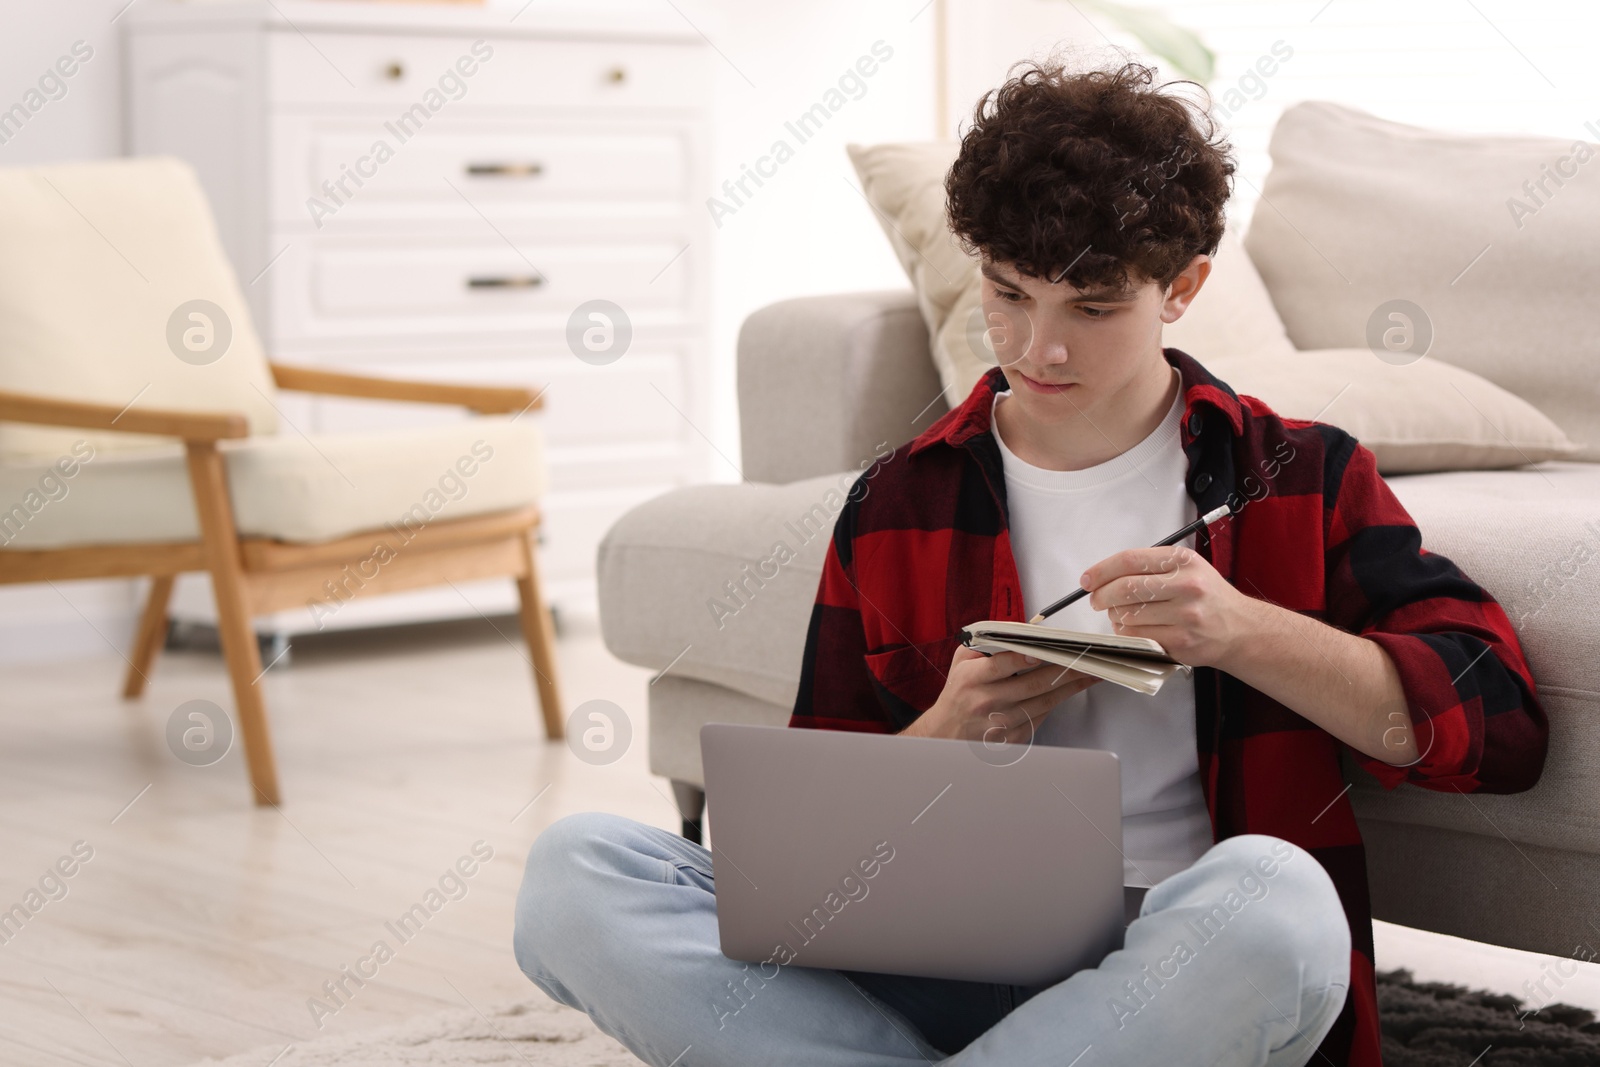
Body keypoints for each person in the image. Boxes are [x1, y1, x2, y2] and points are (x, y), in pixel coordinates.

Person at [512, 59, 1548, 1066]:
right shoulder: (899, 501)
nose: (1037, 348)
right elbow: (807, 843)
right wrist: (951, 729)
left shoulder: (1301, 473)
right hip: (935, 951)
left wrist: (1244, 630)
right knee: (575, 872)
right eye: (1008, 293)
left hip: (1176, 964)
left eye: (1092, 308)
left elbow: (1497, 726)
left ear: (1180, 288)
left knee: (1278, 901)